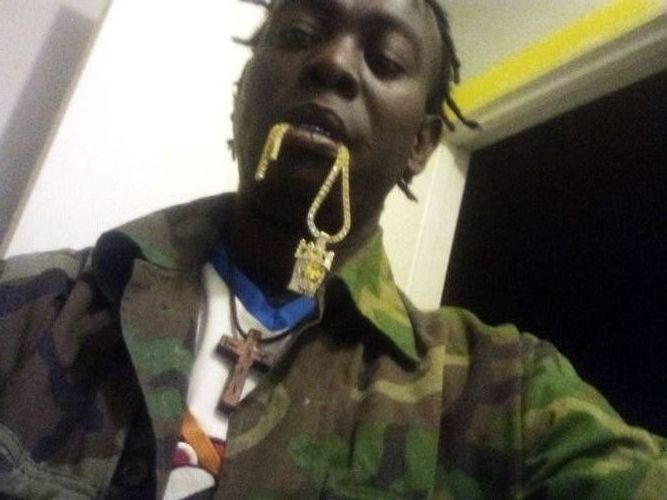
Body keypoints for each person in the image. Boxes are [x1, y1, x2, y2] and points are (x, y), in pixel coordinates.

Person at [0, 0, 665, 498]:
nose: (334, 63)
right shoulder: (35, 310)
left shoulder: (498, 394)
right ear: (243, 95)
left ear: (420, 145)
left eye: (384, 59)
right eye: (297, 35)